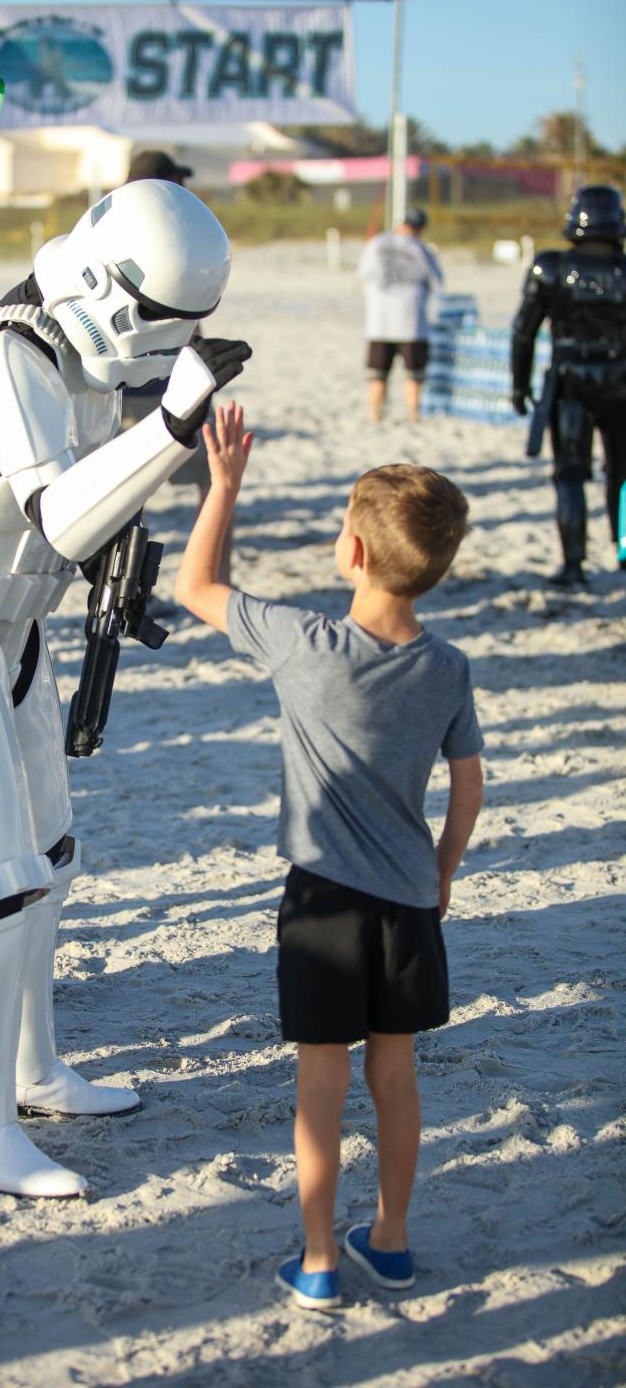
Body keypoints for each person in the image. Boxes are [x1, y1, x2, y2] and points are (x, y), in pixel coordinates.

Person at [0, 179, 252, 1197]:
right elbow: (56, 517)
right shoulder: (9, 355)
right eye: (162, 322)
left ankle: (33, 1071)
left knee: (50, 858)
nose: (169, 345)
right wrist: (169, 428)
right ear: (106, 281)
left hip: (14, 628)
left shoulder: (73, 356)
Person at [176, 431, 484, 1310]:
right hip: (406, 901)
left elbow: (196, 587)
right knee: (397, 1076)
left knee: (321, 1081)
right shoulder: (449, 668)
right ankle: (389, 1242)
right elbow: (468, 788)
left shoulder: (303, 643)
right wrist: (443, 872)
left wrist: (224, 484)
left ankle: (316, 1258)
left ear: (350, 551)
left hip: (321, 902)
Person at [119, 151, 234, 587]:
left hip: (129, 388)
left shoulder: (110, 229)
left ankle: (138, 587)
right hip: (156, 389)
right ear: (162, 186)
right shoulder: (170, 235)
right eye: (177, 183)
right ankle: (218, 581)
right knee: (215, 480)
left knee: (130, 498)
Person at [511, 184, 626, 588]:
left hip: (570, 380)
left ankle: (574, 563)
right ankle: (624, 551)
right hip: (621, 380)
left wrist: (519, 385)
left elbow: (524, 332)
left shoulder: (551, 267)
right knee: (623, 474)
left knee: (570, 473)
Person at [358, 207, 443, 426]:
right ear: (421, 228)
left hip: (379, 321)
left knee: (377, 373)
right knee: (414, 373)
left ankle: (375, 415)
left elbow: (363, 274)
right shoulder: (421, 249)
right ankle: (413, 415)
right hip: (412, 321)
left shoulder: (376, 243)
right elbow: (437, 281)